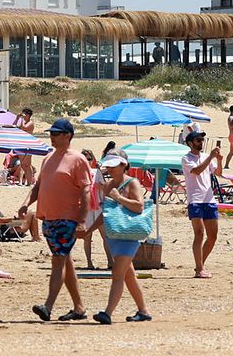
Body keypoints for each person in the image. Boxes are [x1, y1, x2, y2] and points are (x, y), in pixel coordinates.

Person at [21, 117, 92, 321]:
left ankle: (48, 306)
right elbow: (38, 186)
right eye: (50, 133)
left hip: (67, 218)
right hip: (49, 218)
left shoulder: (78, 159)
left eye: (55, 134)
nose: (51, 137)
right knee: (65, 260)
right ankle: (79, 308)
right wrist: (26, 203)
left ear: (67, 136)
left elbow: (86, 192)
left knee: (58, 260)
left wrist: (81, 220)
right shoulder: (48, 158)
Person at [94, 153, 151, 324]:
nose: (110, 169)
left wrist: (118, 197)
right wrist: (88, 229)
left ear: (123, 165)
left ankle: (108, 313)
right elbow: (105, 213)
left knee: (117, 274)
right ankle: (143, 311)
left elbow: (139, 207)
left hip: (129, 235)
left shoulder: (133, 182)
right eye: (108, 166)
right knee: (128, 275)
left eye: (113, 165)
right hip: (114, 235)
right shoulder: (108, 185)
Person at [182, 130, 224, 277]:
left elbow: (218, 173)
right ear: (190, 143)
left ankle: (200, 265)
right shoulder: (186, 159)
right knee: (199, 234)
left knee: (213, 236)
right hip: (195, 200)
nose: (201, 142)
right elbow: (197, 171)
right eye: (198, 140)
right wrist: (211, 157)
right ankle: (199, 269)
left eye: (202, 140)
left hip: (209, 200)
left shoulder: (206, 157)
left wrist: (218, 160)